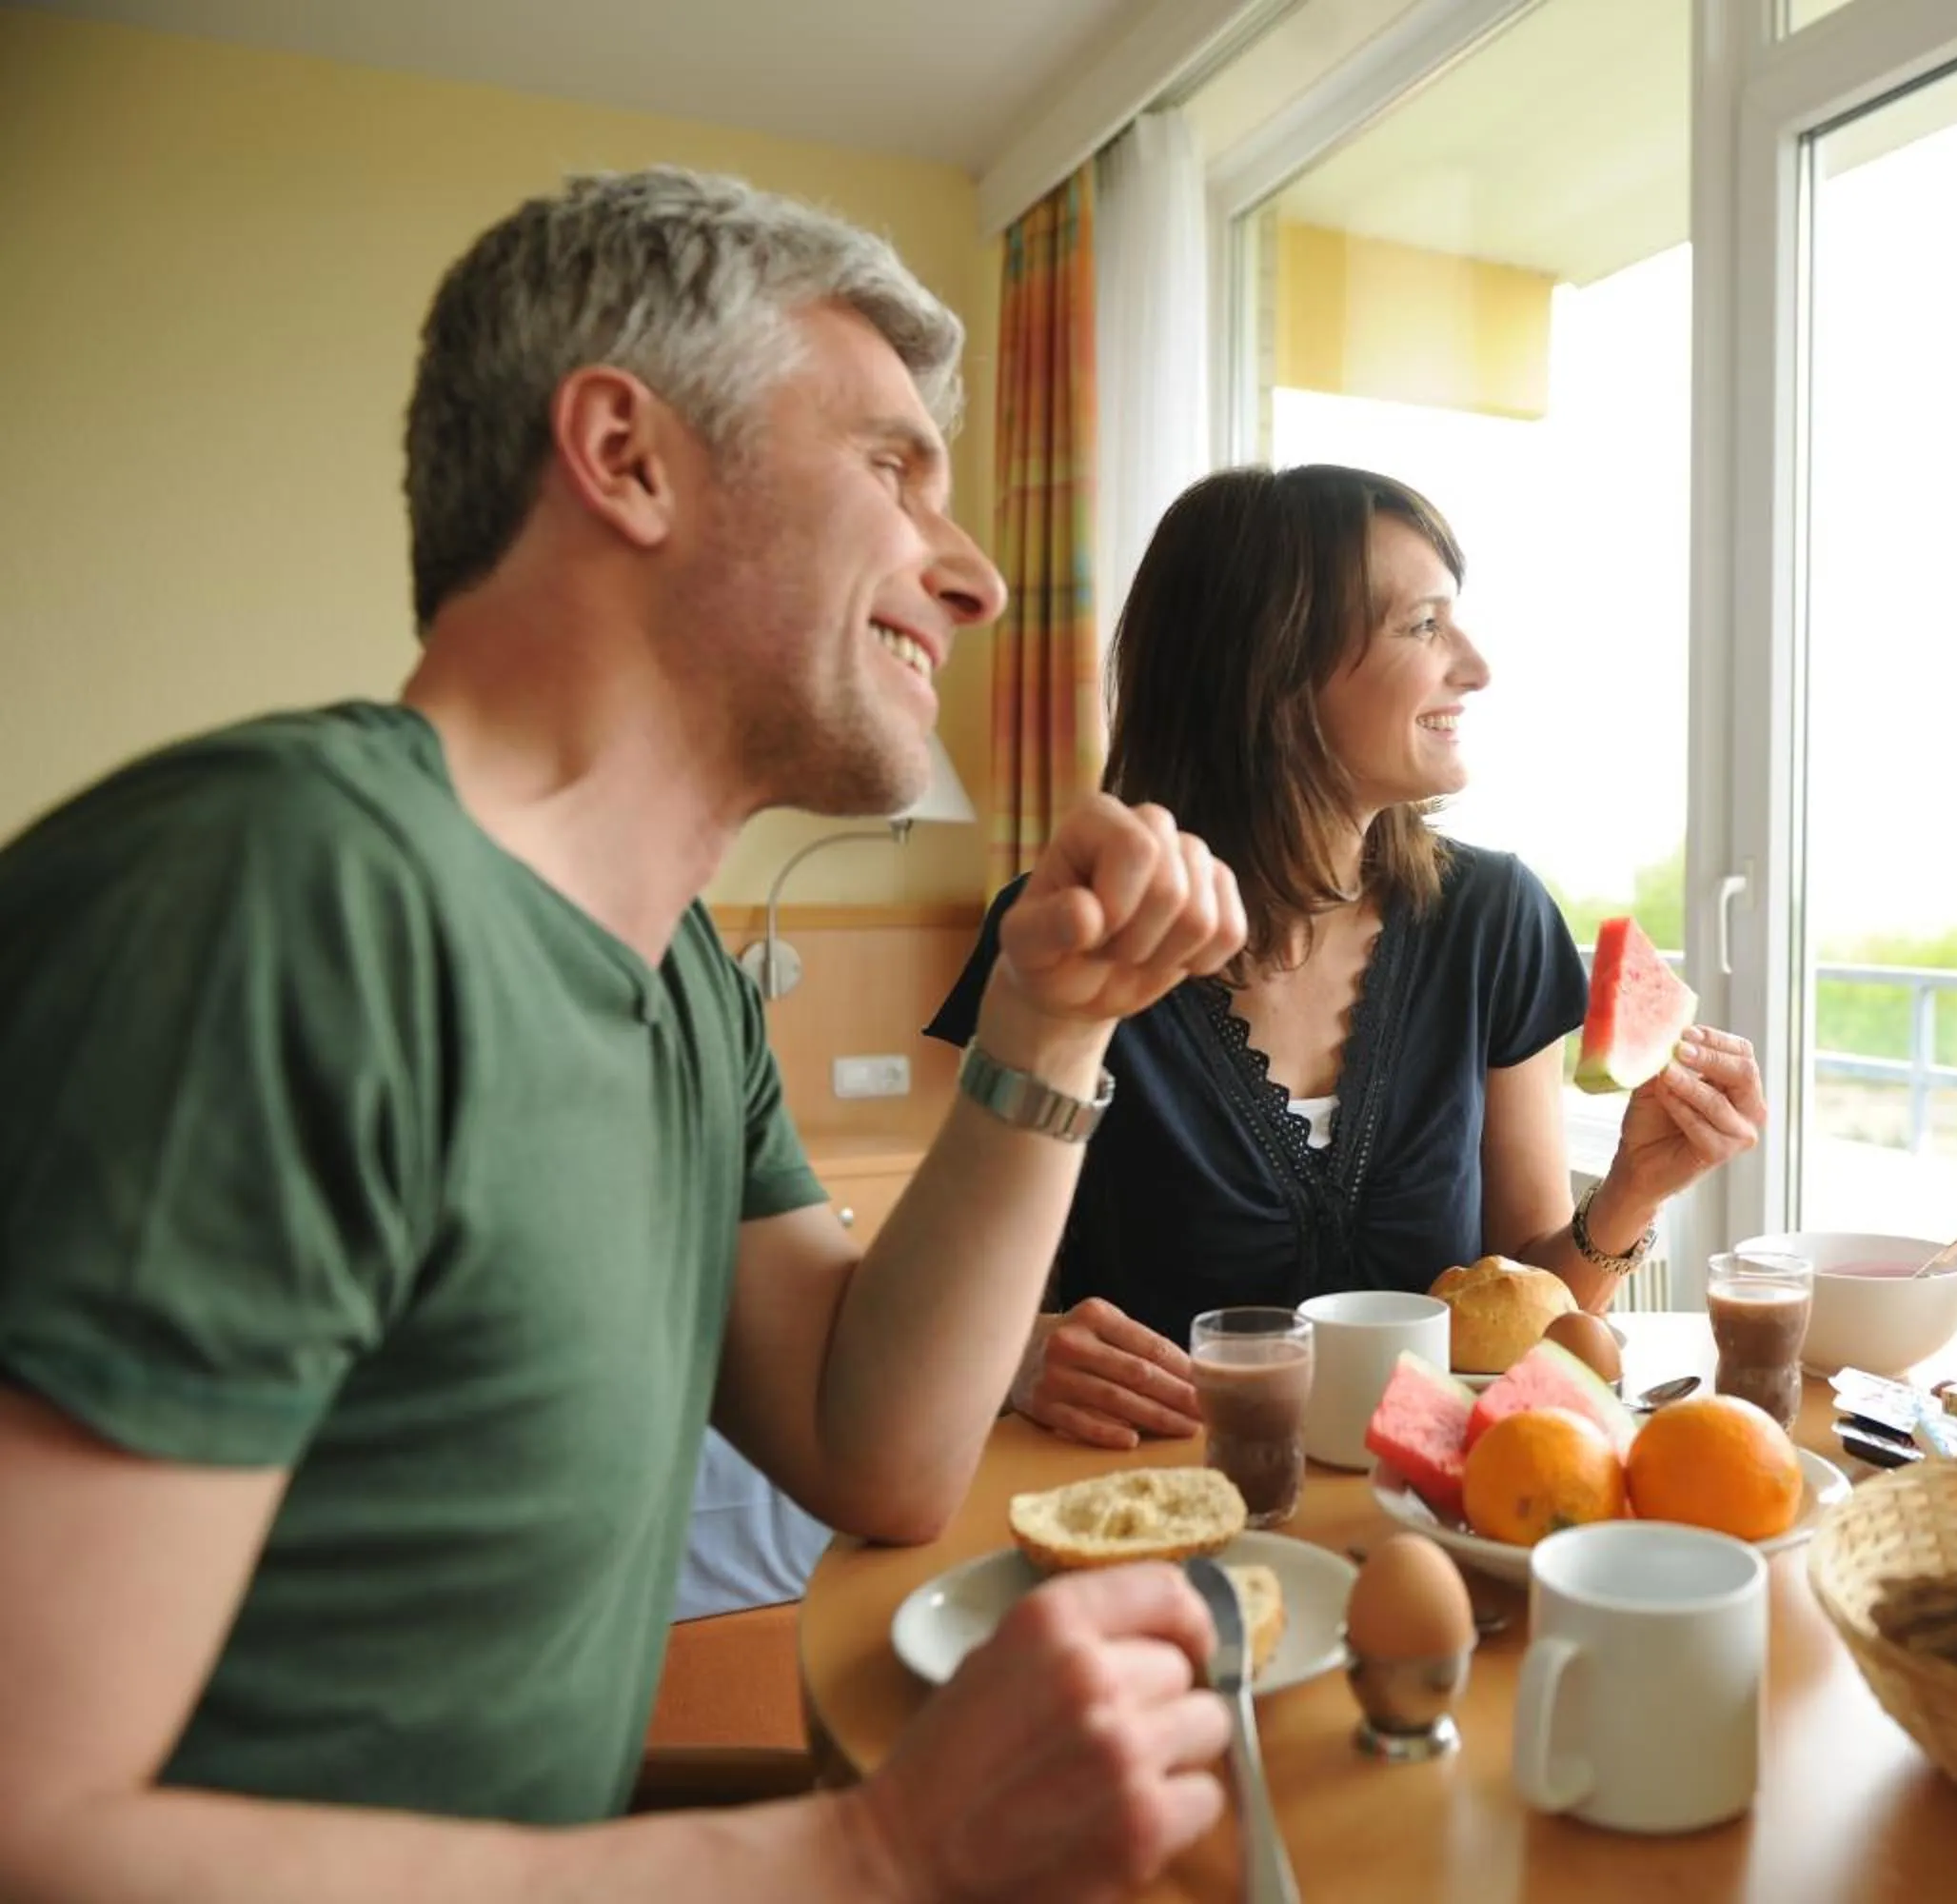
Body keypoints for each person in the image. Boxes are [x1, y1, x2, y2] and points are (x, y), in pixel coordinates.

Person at [0, 167, 1250, 1899]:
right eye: (892, 467)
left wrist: (1051, 1022)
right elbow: (32, 1828)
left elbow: (877, 1447)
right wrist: (872, 1856)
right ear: (625, 455)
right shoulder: (280, 898)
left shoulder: (680, 987)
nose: (970, 578)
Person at [926, 466, 1769, 1450]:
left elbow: (1522, 1315)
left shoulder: (1492, 918)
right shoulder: (1067, 944)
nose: (1476, 666)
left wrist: (1631, 1191)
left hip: (1435, 1504)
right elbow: (946, 1306)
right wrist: (1025, 1351)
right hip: (1157, 1497)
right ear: (1272, 671)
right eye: (1424, 626)